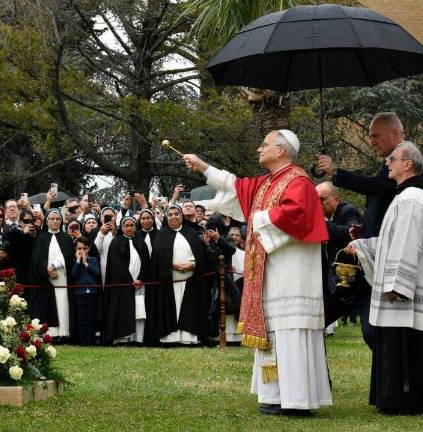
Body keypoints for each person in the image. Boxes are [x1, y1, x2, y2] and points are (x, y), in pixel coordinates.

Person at [184, 129, 332, 415]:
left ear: (282, 150)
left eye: (264, 144)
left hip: (292, 273)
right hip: (271, 271)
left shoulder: (298, 181)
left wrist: (257, 217)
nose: (258, 149)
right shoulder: (267, 183)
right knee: (274, 332)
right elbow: (237, 187)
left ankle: (297, 400)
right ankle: (275, 395)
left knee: (291, 330)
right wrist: (203, 167)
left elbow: (295, 215)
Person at [345, 142, 423, 414]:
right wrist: (362, 247)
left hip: (404, 289)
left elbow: (406, 243)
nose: (387, 163)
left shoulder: (413, 197)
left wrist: (398, 284)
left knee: (406, 344)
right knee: (401, 342)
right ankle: (401, 397)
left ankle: (406, 399)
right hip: (403, 285)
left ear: (408, 164)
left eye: (393, 159)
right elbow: (392, 242)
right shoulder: (405, 195)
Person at [317, 112, 403, 349]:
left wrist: (336, 173)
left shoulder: (401, 162)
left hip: (381, 260)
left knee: (372, 331)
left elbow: (377, 187)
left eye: (375, 135)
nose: (371, 141)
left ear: (395, 133)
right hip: (367, 259)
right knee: (367, 330)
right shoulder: (389, 162)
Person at [144, 205, 209, 346]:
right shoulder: (161, 235)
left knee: (190, 308)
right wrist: (171, 265)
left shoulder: (191, 232)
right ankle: (170, 338)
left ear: (181, 216)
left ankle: (189, 337)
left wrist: (192, 263)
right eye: (170, 214)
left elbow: (198, 254)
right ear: (167, 217)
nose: (173, 217)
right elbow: (157, 259)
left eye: (176, 214)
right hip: (169, 282)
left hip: (190, 281)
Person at [316, 182, 362, 328]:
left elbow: (352, 234)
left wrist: (322, 224)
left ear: (336, 199)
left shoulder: (348, 211)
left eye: (322, 199)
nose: (318, 204)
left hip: (350, 283)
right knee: (319, 321)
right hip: (331, 281)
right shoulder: (326, 218)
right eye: (315, 200)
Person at [101, 216, 150, 344]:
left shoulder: (141, 242)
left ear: (135, 227)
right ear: (121, 227)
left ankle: (138, 339)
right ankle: (122, 338)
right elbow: (116, 265)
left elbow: (146, 263)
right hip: (122, 285)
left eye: (131, 225)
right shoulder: (116, 243)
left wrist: (140, 279)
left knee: (138, 312)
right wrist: (129, 281)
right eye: (126, 226)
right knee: (122, 311)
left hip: (139, 285)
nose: (129, 228)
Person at [28, 209, 75, 339]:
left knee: (63, 305)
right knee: (48, 306)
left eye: (57, 219)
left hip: (62, 278)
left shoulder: (66, 238)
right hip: (46, 279)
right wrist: (47, 271)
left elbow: (68, 255)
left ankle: (64, 333)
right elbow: (36, 259)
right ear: (47, 221)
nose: (55, 221)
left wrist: (54, 266)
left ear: (61, 221)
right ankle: (50, 334)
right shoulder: (41, 238)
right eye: (52, 219)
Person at [69, 237, 101, 346]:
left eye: (84, 248)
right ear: (76, 249)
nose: (82, 250)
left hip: (92, 292)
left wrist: (86, 263)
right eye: (79, 248)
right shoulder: (74, 261)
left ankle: (90, 339)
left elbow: (97, 273)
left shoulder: (94, 260)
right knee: (81, 317)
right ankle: (81, 340)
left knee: (90, 317)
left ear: (89, 249)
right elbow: (73, 275)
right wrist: (78, 261)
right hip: (79, 293)